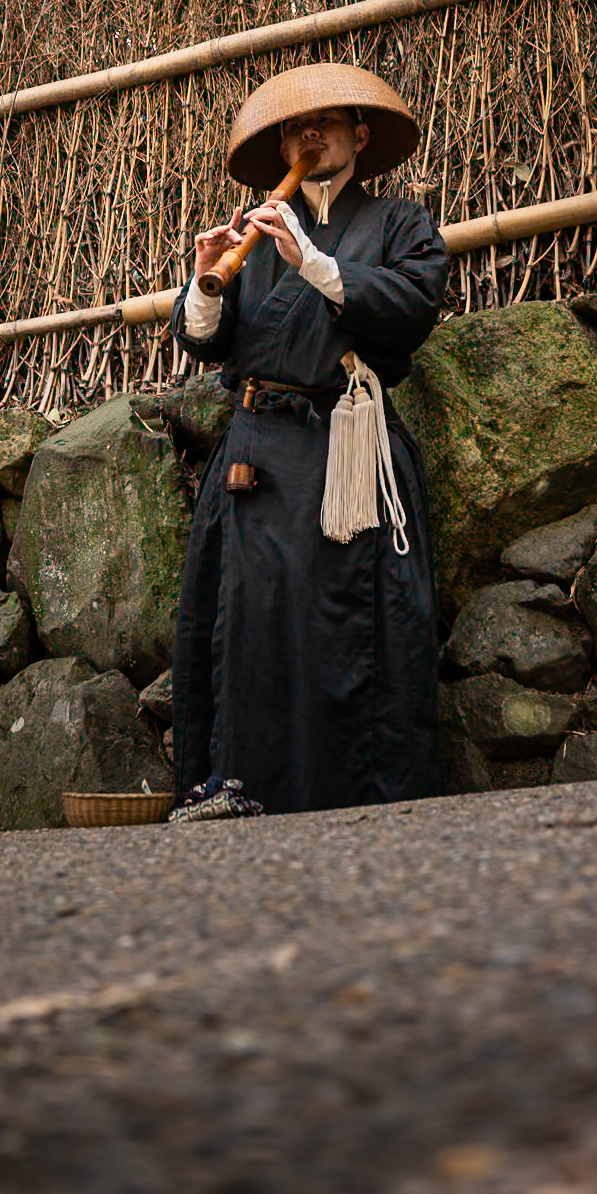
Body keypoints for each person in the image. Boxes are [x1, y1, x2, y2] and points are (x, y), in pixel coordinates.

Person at [168, 61, 450, 818]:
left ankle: (361, 800)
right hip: (256, 452)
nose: (309, 137)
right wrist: (205, 281)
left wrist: (315, 263)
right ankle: (238, 789)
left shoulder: (399, 223)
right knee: (248, 625)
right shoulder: (255, 233)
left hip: (347, 446)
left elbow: (414, 304)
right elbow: (207, 342)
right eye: (296, 129)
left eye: (324, 124)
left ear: (360, 136)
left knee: (353, 626)